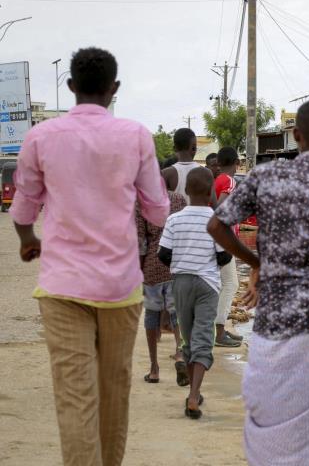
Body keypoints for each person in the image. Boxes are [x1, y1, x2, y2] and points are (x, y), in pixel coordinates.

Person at [11, 47, 170, 466]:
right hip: (120, 287)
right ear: (114, 89)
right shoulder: (136, 136)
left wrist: (28, 240)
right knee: (114, 393)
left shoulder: (41, 137)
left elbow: (24, 205)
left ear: (70, 87)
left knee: (75, 398)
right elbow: (157, 208)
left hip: (63, 286)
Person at [209, 99, 309, 465]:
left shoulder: (264, 178)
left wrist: (257, 262)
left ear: (296, 136)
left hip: (274, 329)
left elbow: (216, 225)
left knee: (268, 435)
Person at [159, 167, 232, 419]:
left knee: (189, 338)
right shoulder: (217, 219)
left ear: (187, 191)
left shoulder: (174, 219)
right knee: (204, 337)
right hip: (208, 285)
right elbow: (224, 255)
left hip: (181, 283)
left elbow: (163, 254)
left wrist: (183, 263)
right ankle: (193, 395)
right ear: (211, 192)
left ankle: (193, 390)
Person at [137, 190, 189, 385]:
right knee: (177, 315)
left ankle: (154, 369)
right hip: (176, 265)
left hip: (152, 266)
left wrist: (139, 270)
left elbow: (141, 241)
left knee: (151, 316)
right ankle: (180, 354)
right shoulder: (178, 199)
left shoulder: (141, 202)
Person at [212, 146, 243, 348]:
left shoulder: (217, 180)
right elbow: (220, 209)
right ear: (236, 162)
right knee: (231, 284)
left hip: (217, 238)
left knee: (222, 285)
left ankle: (218, 329)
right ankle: (220, 331)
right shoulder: (229, 181)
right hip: (224, 240)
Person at [162, 128, 199, 199]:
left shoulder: (166, 174)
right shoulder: (206, 173)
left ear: (174, 148)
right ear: (194, 148)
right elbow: (214, 205)